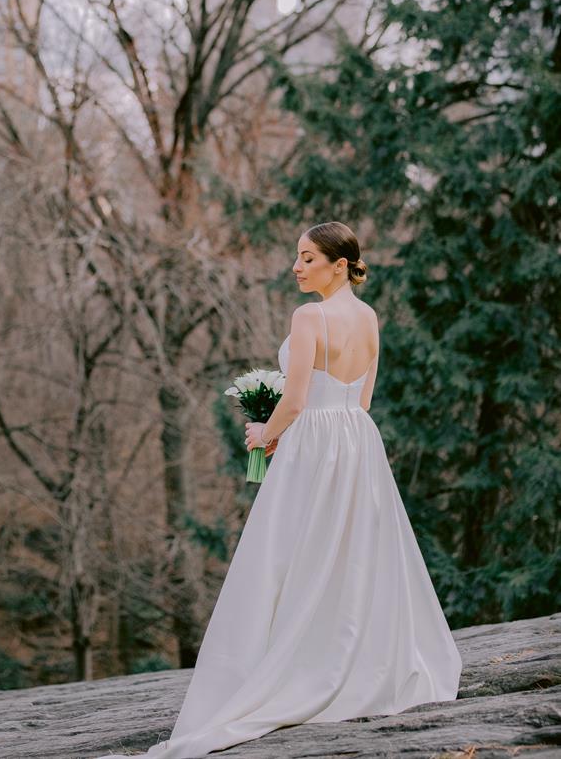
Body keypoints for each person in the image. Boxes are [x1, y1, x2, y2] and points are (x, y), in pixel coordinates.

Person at [95, 221, 462, 758]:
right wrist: (333, 434)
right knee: (350, 554)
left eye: (308, 258)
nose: (297, 267)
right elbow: (363, 399)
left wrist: (264, 436)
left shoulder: (310, 316)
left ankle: (292, 663)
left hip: (312, 443)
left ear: (340, 265)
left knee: (292, 553)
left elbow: (293, 402)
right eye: (297, 257)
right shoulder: (369, 317)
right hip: (357, 443)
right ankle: (352, 656)